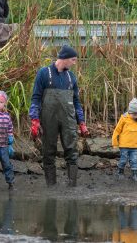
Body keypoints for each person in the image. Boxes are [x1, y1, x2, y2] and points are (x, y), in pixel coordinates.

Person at [29, 45, 89, 187]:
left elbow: (76, 102)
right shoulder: (44, 73)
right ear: (65, 58)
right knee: (48, 152)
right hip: (48, 119)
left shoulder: (71, 77)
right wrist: (35, 119)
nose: (74, 63)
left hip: (68, 120)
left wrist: (81, 122)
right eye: (73, 60)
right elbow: (36, 98)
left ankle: (72, 185)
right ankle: (51, 186)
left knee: (72, 151)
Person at [112, 98, 137, 181]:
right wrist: (115, 142)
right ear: (129, 112)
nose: (136, 116)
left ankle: (134, 174)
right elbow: (117, 130)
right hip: (124, 145)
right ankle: (120, 172)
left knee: (134, 160)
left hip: (134, 145)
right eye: (134, 114)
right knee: (123, 159)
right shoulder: (124, 118)